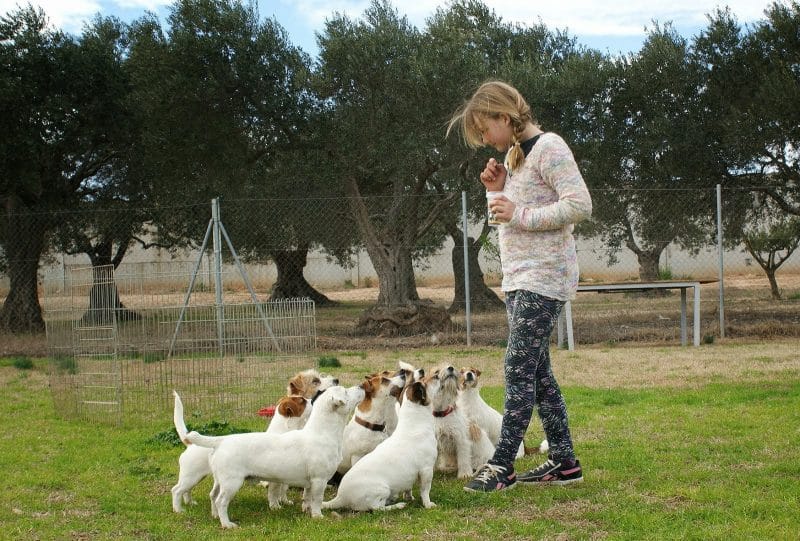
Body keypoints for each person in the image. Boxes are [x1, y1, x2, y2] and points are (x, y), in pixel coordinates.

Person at [447, 80, 592, 493]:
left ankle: (502, 465)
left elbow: (579, 205)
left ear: (504, 116)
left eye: (484, 129)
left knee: (516, 366)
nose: (483, 140)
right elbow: (506, 220)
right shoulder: (515, 158)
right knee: (539, 373)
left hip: (544, 277)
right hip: (517, 278)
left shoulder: (550, 147)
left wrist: (519, 212)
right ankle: (564, 462)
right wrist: (495, 192)